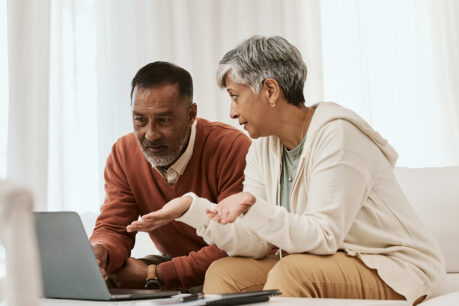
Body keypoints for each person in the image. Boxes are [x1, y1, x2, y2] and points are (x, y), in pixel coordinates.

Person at [129, 37, 446, 305]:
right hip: (329, 259)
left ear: (269, 90)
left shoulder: (337, 135)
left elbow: (323, 236)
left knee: (291, 272)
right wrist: (193, 208)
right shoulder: (263, 149)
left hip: (392, 266)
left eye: (236, 96)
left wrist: (253, 206)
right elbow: (253, 243)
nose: (232, 111)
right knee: (224, 272)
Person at [89, 61, 252, 291]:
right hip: (174, 263)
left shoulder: (231, 148)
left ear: (191, 115)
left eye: (164, 120)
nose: (151, 135)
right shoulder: (124, 153)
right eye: (140, 120)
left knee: (220, 274)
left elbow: (234, 243)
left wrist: (156, 274)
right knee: (106, 279)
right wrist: (101, 251)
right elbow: (115, 227)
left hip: (228, 264)